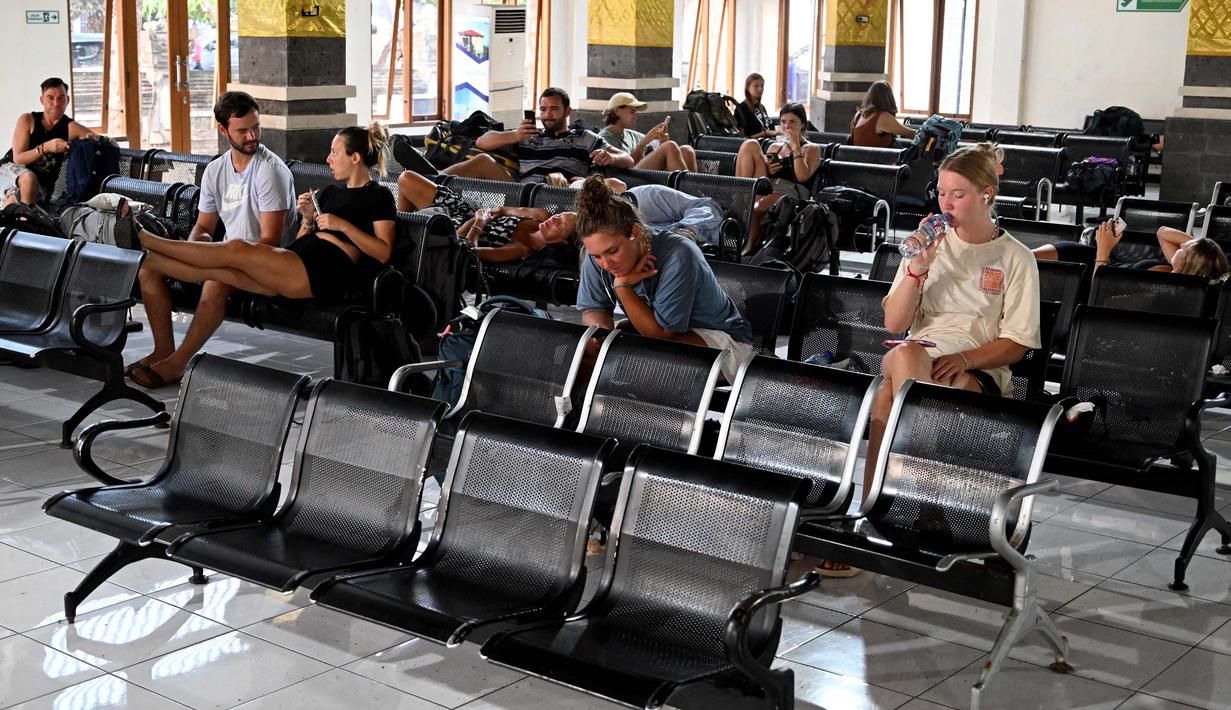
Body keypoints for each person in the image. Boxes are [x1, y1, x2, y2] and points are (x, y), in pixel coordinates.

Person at [852, 142, 1039, 577]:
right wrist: (918, 269)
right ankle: (926, 504)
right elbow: (895, 323)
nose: (946, 203)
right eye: (941, 193)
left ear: (987, 194)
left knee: (886, 402)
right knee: (908, 353)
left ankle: (873, 512)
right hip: (915, 356)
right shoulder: (926, 247)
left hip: (978, 369)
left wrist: (969, 359)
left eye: (958, 194)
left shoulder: (1015, 258)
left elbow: (1017, 344)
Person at [125, 91, 296, 389]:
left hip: (268, 263)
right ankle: (163, 350)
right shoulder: (217, 170)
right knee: (149, 269)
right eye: (242, 130)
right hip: (228, 255)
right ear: (222, 129)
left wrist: (212, 257)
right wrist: (200, 244)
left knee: (216, 279)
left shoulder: (270, 171)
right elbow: (204, 225)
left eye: (256, 127)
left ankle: (177, 364)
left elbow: (271, 240)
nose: (252, 136)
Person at [574, 175, 753, 382]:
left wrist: (622, 286)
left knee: (636, 361)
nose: (606, 264)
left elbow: (660, 336)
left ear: (634, 232)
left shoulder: (679, 254)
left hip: (722, 341)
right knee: (590, 354)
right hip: (663, 340)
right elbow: (593, 310)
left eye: (612, 251)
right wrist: (597, 342)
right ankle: (574, 411)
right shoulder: (594, 254)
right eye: (597, 256)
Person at [396, 170, 725, 262]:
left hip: (459, 229)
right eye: (565, 214)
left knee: (423, 226)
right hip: (466, 218)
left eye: (563, 221)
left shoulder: (649, 199)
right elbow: (509, 209)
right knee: (408, 179)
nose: (555, 217)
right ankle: (403, 230)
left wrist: (480, 222)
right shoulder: (541, 216)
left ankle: (402, 237)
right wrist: (495, 211)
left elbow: (466, 251)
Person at [443, 87, 634, 182]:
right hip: (523, 191)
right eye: (543, 109)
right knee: (483, 160)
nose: (547, 115)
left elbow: (627, 159)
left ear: (567, 111)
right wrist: (515, 136)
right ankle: (434, 178)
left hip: (562, 190)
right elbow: (482, 141)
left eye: (553, 109)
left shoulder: (584, 137)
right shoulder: (528, 135)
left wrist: (610, 157)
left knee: (559, 179)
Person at [734, 102, 823, 253]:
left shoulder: (811, 149)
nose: (787, 127)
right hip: (770, 187)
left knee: (756, 207)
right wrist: (768, 168)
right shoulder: (775, 147)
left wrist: (795, 146)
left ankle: (750, 244)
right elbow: (766, 176)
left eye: (792, 122)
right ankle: (740, 196)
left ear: (802, 124)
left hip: (791, 194)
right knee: (750, 144)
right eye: (783, 122)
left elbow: (802, 176)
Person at [0, 77, 96, 206]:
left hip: (41, 186)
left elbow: (100, 141)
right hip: (10, 172)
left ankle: (23, 222)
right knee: (24, 184)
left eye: (61, 98)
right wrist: (45, 148)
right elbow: (18, 159)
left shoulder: (71, 127)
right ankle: (26, 221)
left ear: (67, 100)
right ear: (42, 100)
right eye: (50, 98)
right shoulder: (28, 120)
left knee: (16, 198)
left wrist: (92, 140)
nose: (56, 103)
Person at [1034, 222, 1231, 279]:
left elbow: (1101, 297)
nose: (1183, 243)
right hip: (1090, 260)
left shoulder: (1161, 285)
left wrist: (1104, 250)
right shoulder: (1174, 269)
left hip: (1091, 276)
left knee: (1026, 264)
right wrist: (1203, 247)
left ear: (1187, 263)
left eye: (1185, 249)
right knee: (1025, 258)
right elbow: (1163, 233)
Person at [598, 92, 697, 172]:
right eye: (632, 112)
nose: (635, 116)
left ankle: (694, 192)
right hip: (627, 179)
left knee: (686, 150)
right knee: (670, 146)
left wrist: (662, 141)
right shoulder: (605, 137)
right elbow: (627, 164)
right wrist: (644, 143)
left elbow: (656, 154)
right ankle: (689, 192)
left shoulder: (630, 134)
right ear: (617, 111)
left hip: (645, 174)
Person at [849, 80, 915, 148]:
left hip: (859, 157)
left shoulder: (858, 115)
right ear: (888, 98)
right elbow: (911, 134)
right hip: (879, 157)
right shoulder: (882, 117)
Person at [734, 73, 777, 140]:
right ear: (748, 88)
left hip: (770, 143)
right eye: (756, 86)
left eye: (762, 86)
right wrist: (764, 134)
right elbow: (742, 139)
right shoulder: (741, 109)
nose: (760, 89)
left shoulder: (761, 107)